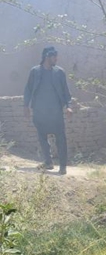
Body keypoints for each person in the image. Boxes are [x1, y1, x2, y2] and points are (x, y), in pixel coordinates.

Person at [23, 46, 73, 174]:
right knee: (42, 137)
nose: (56, 58)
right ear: (47, 57)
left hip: (55, 112)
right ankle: (48, 162)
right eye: (54, 56)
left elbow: (66, 91)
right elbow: (28, 89)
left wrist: (68, 106)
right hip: (39, 112)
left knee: (61, 138)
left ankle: (62, 166)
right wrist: (26, 106)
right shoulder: (35, 71)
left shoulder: (59, 72)